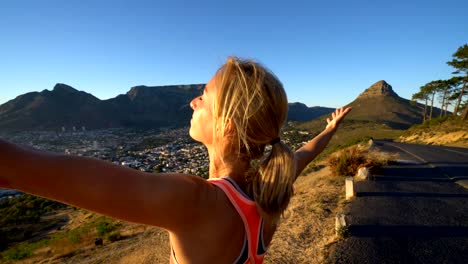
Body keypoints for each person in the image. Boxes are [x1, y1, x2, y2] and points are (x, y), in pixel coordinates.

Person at [0, 57, 351, 263]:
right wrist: (331, 127)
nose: (193, 103)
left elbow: (17, 169)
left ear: (227, 125)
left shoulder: (196, 202)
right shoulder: (268, 187)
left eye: (203, 97)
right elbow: (307, 151)